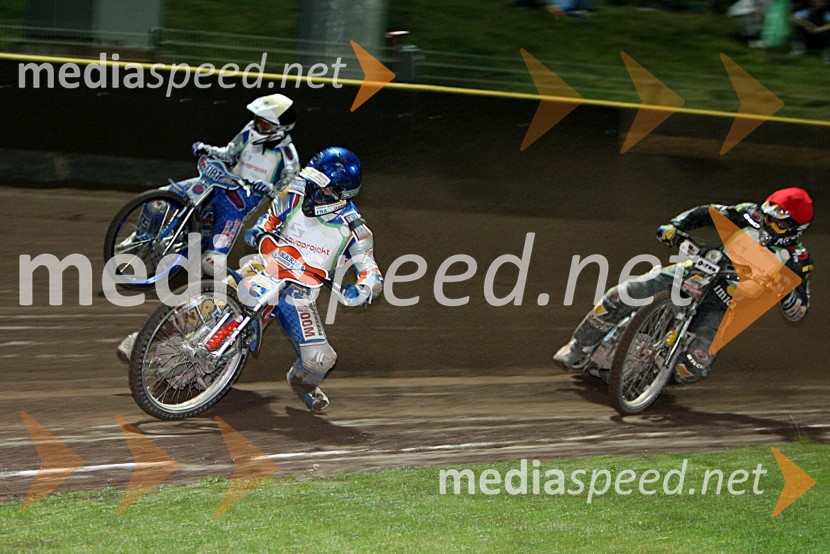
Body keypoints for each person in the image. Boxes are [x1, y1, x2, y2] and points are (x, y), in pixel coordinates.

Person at [553, 187, 814, 383]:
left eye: (776, 223)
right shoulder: (749, 214)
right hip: (699, 271)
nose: (767, 224)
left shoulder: (797, 259)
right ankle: (579, 347)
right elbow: (707, 212)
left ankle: (651, 377)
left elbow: (799, 311)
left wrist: (786, 291)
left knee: (692, 367)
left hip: (724, 308)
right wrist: (675, 226)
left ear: (795, 229)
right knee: (622, 294)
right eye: (767, 217)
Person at [117, 93, 300, 361]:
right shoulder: (249, 133)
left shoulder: (288, 157)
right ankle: (143, 241)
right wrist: (208, 150)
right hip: (222, 186)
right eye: (257, 121)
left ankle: (166, 347)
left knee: (214, 283)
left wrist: (272, 190)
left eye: (264, 124)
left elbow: (287, 196)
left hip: (242, 208)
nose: (257, 126)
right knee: (161, 200)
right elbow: (229, 153)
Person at [242, 147, 384, 412]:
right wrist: (259, 232)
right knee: (208, 307)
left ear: (341, 193)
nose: (312, 191)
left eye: (322, 188)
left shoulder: (356, 230)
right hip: (264, 268)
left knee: (320, 360)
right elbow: (268, 220)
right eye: (312, 182)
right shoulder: (296, 191)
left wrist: (364, 288)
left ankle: (303, 384)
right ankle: (141, 345)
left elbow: (371, 271)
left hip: (299, 293)